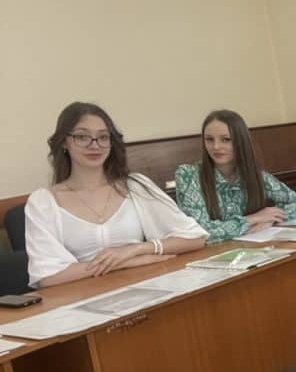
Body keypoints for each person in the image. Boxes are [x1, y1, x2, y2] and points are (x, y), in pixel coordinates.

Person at [25, 102, 208, 288]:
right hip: (84, 296)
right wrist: (123, 263)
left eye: (103, 137)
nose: (94, 145)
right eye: (82, 137)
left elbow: (196, 237)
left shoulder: (135, 186)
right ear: (64, 142)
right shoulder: (43, 202)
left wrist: (137, 249)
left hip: (146, 289)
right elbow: (47, 276)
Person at [174, 109, 296, 241]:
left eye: (226, 139)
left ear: (240, 141)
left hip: (252, 247)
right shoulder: (188, 175)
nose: (216, 146)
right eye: (209, 139)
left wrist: (270, 221)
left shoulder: (254, 174)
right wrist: (252, 219)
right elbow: (200, 231)